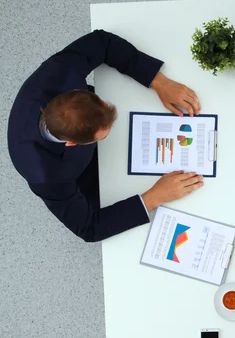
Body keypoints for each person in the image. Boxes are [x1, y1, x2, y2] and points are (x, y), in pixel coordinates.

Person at [8, 30, 205, 242]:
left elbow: (101, 42)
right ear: (73, 143)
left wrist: (159, 81)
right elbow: (89, 228)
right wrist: (154, 197)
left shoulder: (58, 73)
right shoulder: (46, 176)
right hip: (81, 175)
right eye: (102, 136)